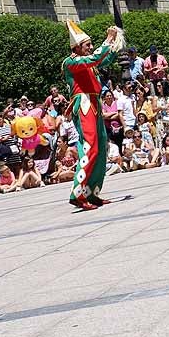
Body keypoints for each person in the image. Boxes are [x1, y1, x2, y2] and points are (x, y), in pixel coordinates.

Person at [63, 20, 124, 211]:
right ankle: (78, 192)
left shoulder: (86, 62)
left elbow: (104, 59)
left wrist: (115, 44)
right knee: (90, 148)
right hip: (83, 104)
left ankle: (92, 192)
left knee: (100, 150)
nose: (90, 47)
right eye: (87, 45)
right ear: (77, 47)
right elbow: (95, 59)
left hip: (94, 104)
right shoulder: (71, 61)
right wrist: (108, 39)